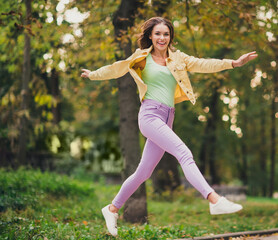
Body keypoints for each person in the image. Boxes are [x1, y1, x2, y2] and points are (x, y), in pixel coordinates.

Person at [81, 17, 257, 237]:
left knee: (143, 173)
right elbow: (117, 68)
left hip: (167, 117)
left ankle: (112, 208)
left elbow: (203, 63)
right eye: (157, 34)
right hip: (149, 115)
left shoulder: (178, 59)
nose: (162, 38)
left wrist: (233, 63)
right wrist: (93, 75)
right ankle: (214, 199)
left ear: (170, 36)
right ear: (150, 36)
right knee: (184, 153)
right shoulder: (141, 57)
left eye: (166, 34)